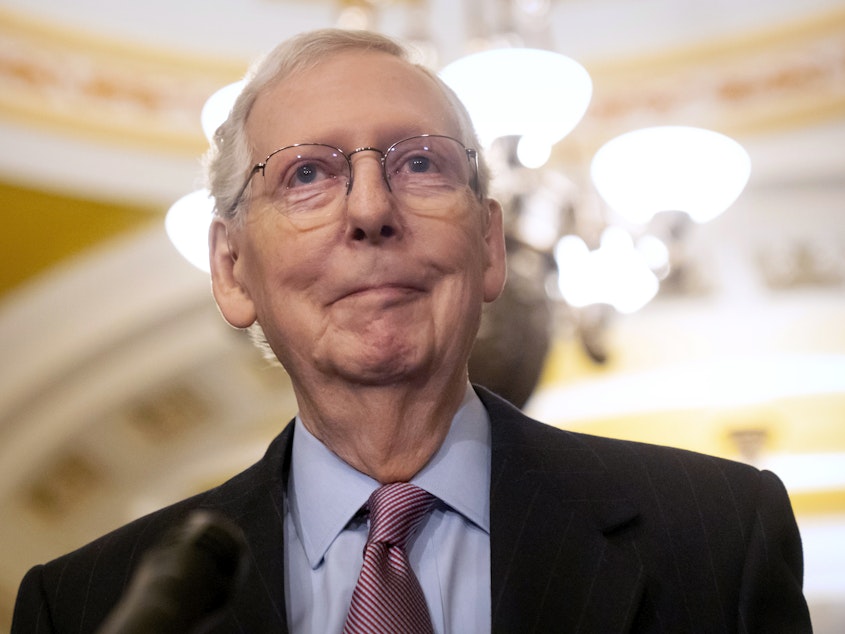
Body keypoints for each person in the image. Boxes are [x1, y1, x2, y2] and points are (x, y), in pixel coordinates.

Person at [12, 28, 812, 633]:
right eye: (307, 174)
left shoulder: (717, 537)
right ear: (230, 268)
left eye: (419, 164)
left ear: (491, 244)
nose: (369, 211)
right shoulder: (87, 604)